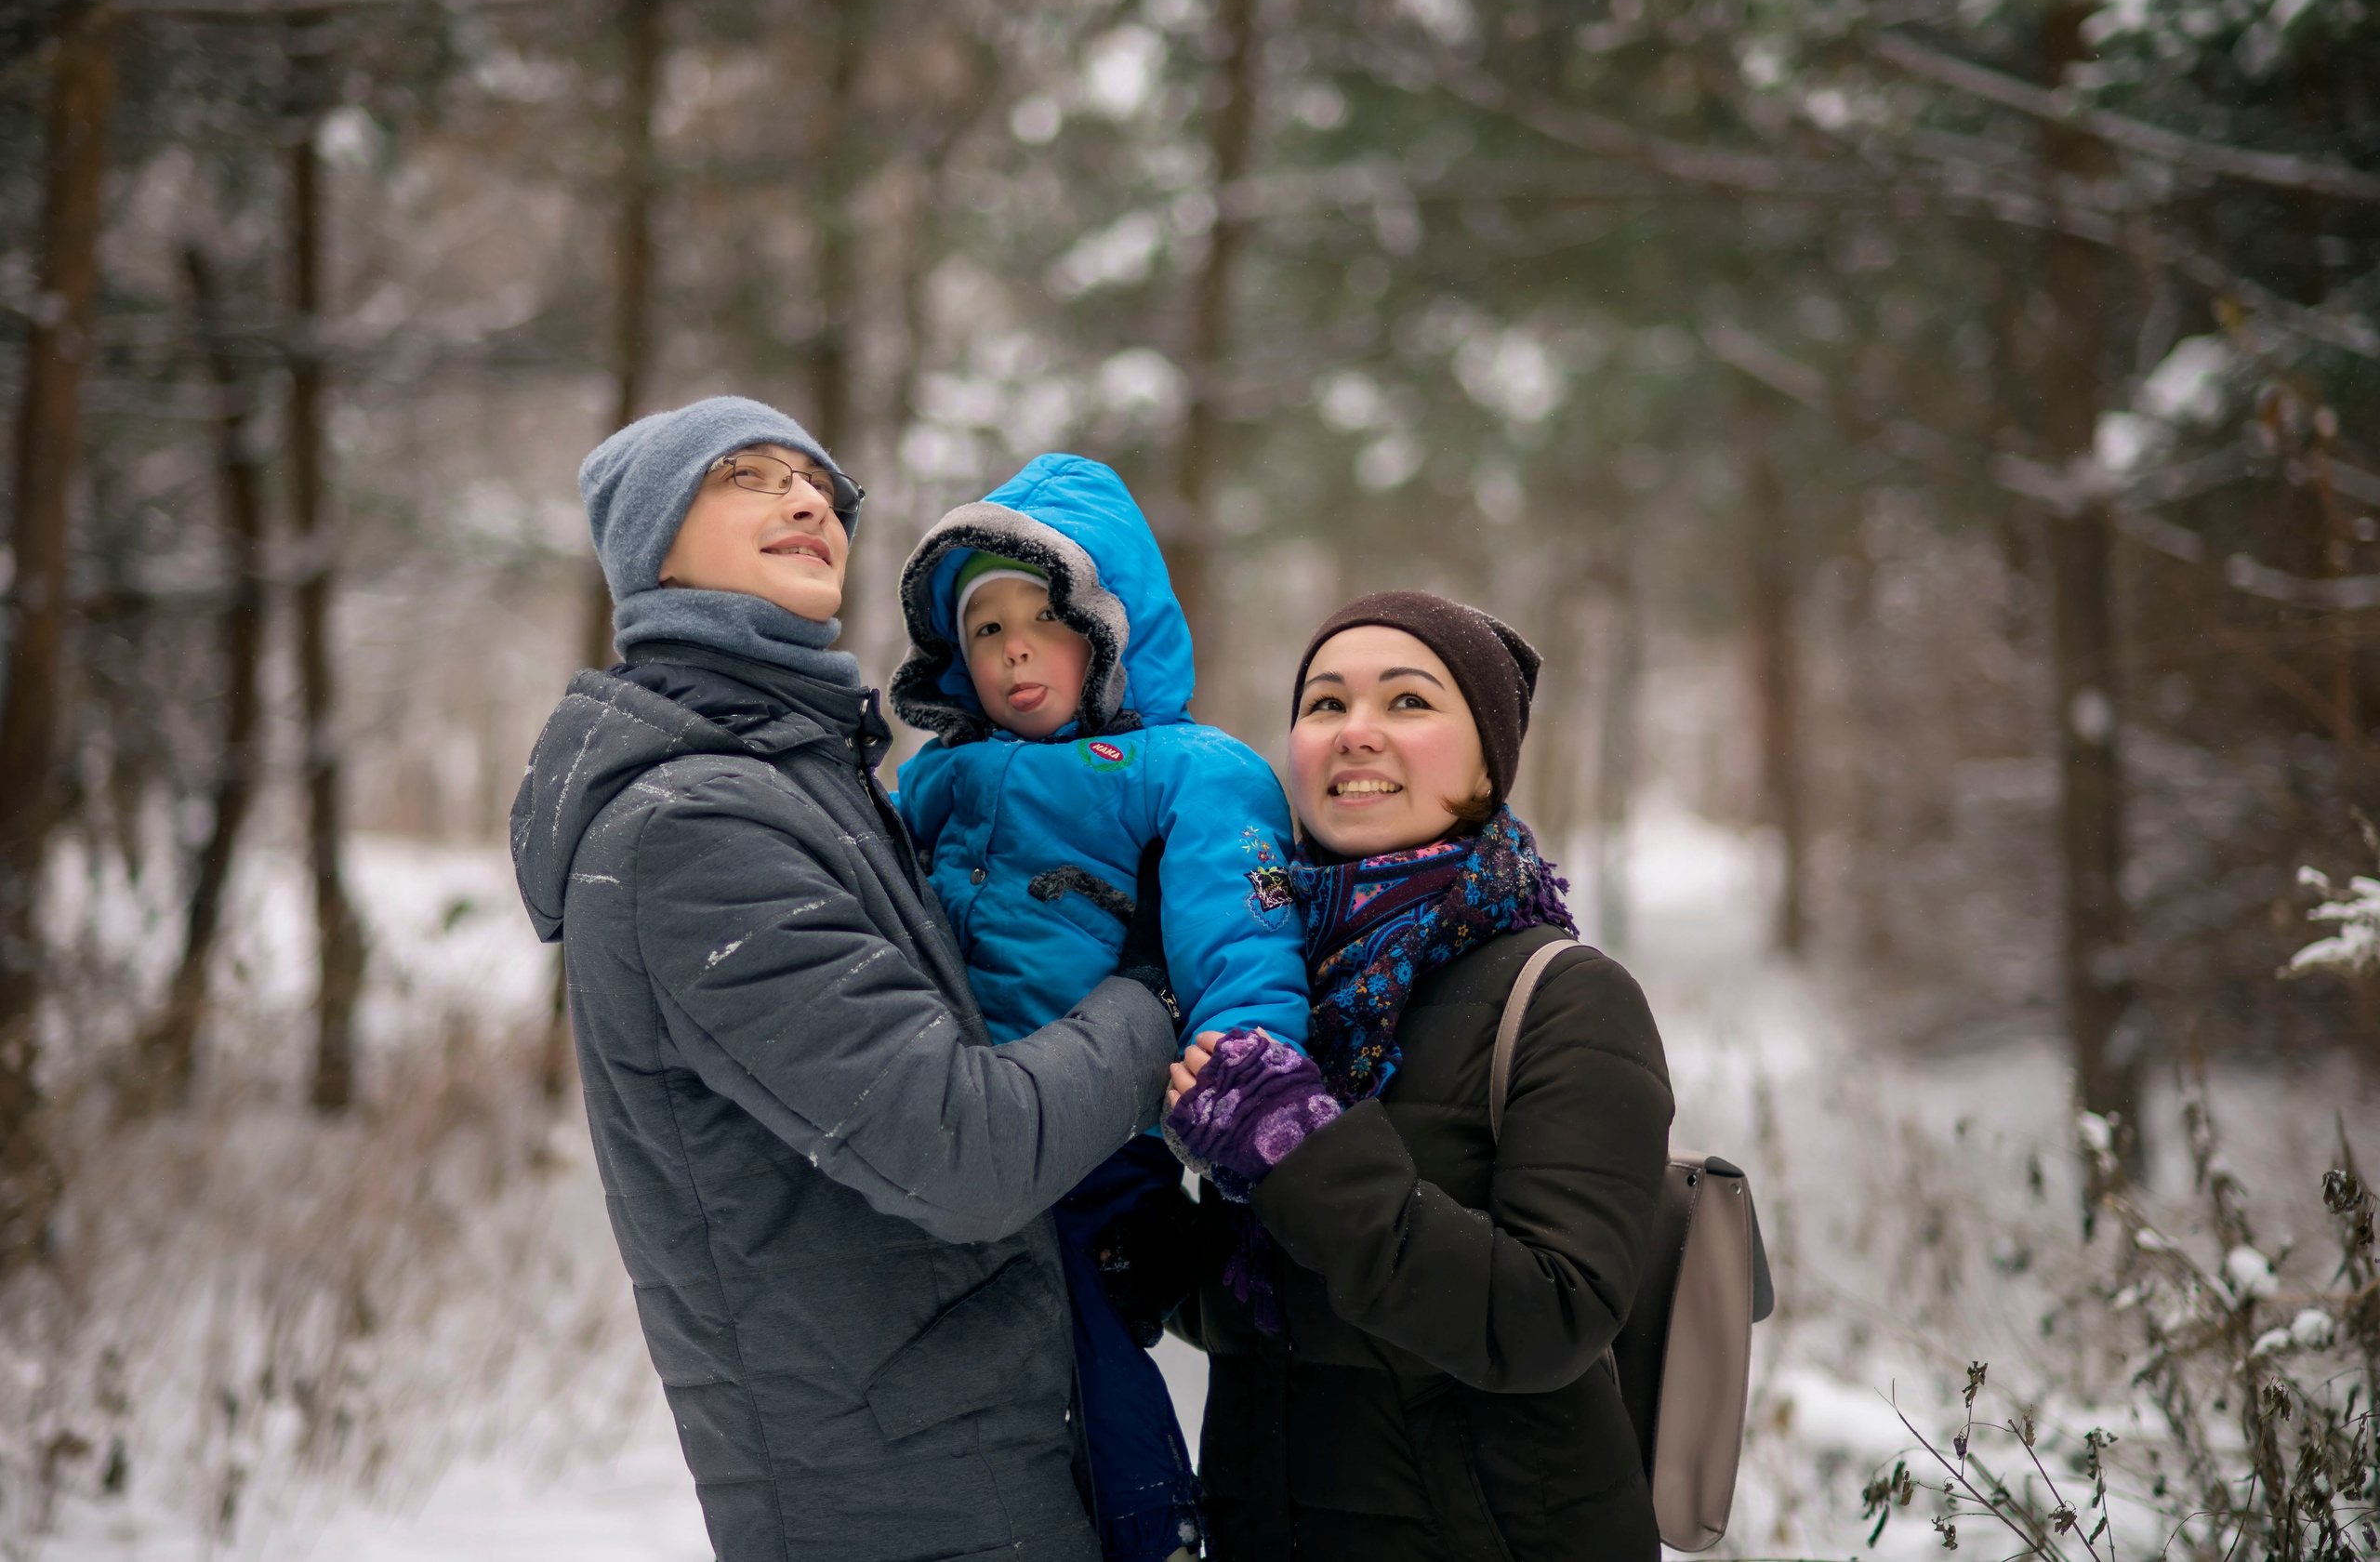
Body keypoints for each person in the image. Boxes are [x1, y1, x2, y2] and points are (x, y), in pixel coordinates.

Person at [509, 397, 1181, 1562]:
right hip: (890, 1499)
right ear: (651, 539)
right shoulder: (693, 828)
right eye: (746, 476)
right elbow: (962, 1145)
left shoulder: (805, 778)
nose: (808, 499)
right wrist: (1156, 999)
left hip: (968, 1447)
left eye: (818, 482)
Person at [1161, 590, 1676, 1560]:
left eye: (1406, 701)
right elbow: (1277, 1314)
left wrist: (1299, 1147)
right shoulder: (1261, 992)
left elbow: (1548, 1315)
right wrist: (1145, 1242)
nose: (1355, 732)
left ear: (1488, 763)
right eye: (1323, 704)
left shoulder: (1564, 996)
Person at [889, 453, 1311, 1562]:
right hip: (958, 1121)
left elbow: (1240, 938)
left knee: (1071, 1327)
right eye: (985, 630)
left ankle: (1153, 1524)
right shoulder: (930, 780)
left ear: (1113, 628)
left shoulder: (1186, 769)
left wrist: (1250, 1081)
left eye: (1045, 616)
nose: (1015, 648)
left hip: (1096, 1147)